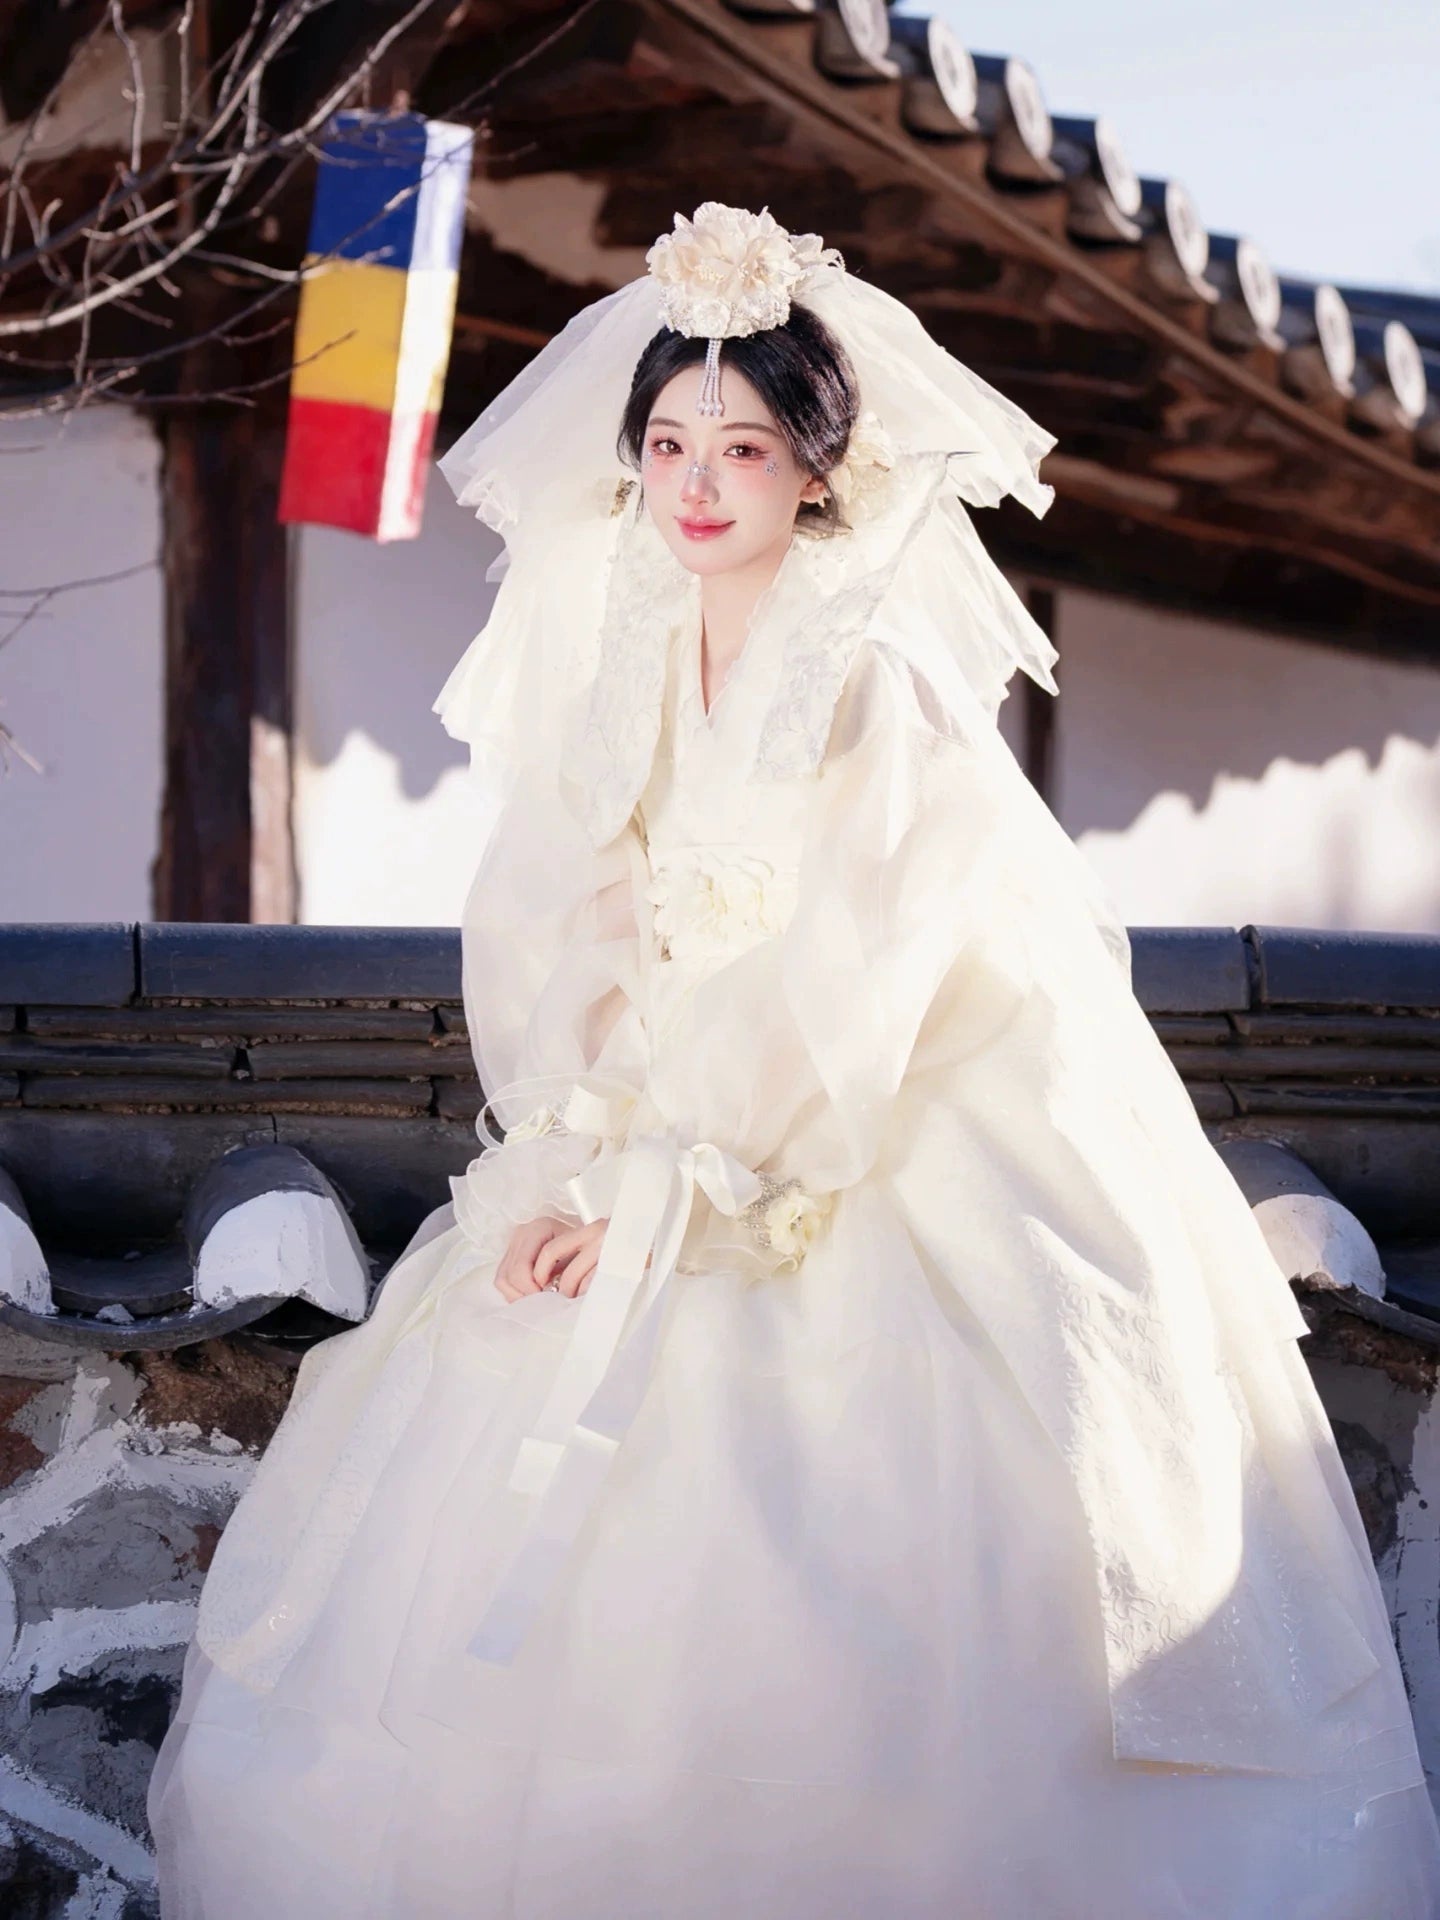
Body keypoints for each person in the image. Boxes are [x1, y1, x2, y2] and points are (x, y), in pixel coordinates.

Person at [148, 203, 1440, 1918]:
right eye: (669, 443)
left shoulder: (873, 674)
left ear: (817, 471)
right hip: (677, 1095)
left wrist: (686, 1179)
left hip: (870, 1111)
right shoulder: (629, 647)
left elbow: (857, 976)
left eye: (743, 446)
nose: (696, 482)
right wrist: (592, 1140)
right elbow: (570, 912)